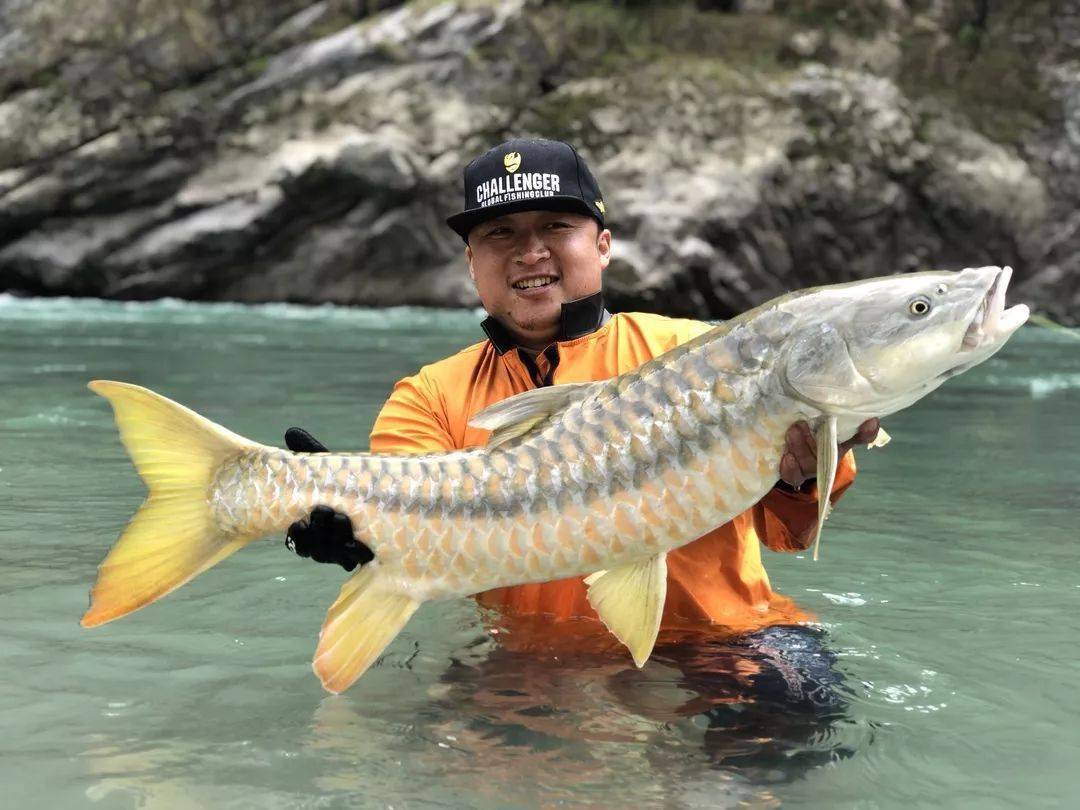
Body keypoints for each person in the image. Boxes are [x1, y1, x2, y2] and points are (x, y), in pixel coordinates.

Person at [284, 137, 879, 666]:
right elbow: (409, 529)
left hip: (728, 646)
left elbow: (790, 535)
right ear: (471, 263)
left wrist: (800, 480)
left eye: (555, 227)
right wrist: (355, 537)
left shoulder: (701, 352)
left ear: (603, 244)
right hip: (529, 667)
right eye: (500, 234)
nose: (530, 251)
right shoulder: (428, 398)